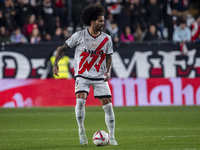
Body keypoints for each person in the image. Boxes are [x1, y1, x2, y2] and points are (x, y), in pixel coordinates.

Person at [53, 4, 118, 146]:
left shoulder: (106, 39)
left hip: (99, 76)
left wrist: (108, 71)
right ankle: (81, 130)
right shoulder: (79, 35)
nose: (103, 23)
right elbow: (62, 48)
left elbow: (108, 57)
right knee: (80, 100)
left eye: (103, 20)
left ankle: (112, 137)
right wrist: (56, 63)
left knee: (108, 105)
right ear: (92, 21)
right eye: (100, 21)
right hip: (82, 75)